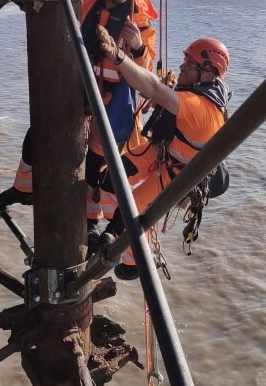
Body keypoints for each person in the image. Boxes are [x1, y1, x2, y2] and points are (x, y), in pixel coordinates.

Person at [0, 0, 158, 227]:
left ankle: (91, 223)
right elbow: (51, 8)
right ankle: (23, 189)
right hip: (80, 83)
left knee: (97, 164)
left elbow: (147, 69)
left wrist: (139, 46)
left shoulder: (138, 17)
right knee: (41, 129)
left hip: (115, 98)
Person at [95, 26, 230, 280]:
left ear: (208, 73)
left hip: (174, 174)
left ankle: (136, 261)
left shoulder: (200, 107)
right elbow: (162, 96)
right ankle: (118, 232)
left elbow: (154, 91)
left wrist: (119, 57)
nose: (181, 67)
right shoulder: (197, 91)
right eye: (185, 61)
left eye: (189, 64)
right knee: (111, 180)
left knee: (129, 210)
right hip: (162, 152)